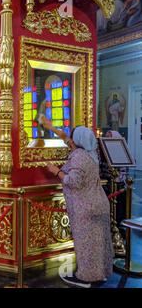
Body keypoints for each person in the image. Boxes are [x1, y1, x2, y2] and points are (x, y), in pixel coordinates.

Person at [41, 116, 114, 288]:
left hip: (86, 206)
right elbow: (67, 139)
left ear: (77, 141)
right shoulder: (90, 152)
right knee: (98, 242)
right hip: (98, 204)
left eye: (72, 137)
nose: (70, 140)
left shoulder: (79, 157)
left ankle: (85, 278)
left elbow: (72, 181)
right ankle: (99, 274)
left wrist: (55, 171)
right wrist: (51, 127)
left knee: (86, 243)